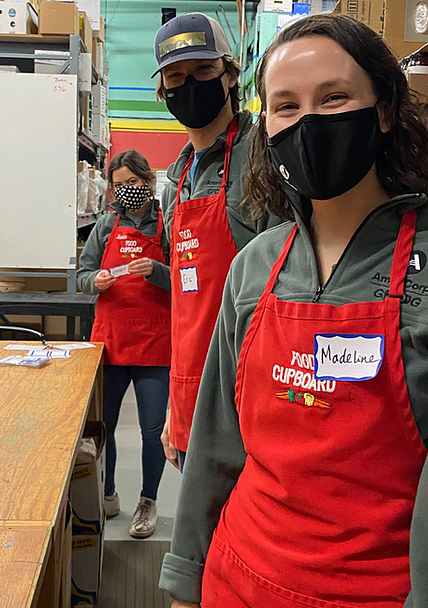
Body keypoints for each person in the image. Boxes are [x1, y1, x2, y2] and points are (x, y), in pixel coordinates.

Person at [158, 13, 428, 608]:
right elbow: (215, 445)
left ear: (383, 110)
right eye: (286, 106)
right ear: (267, 125)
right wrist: (185, 578)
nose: (308, 123)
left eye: (334, 98)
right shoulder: (255, 267)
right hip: (238, 579)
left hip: (375, 593)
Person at [151, 12, 279, 470]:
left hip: (250, 398)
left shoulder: (263, 155)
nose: (189, 85)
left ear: (230, 74)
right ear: (163, 91)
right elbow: (187, 305)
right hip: (190, 392)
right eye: (176, 77)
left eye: (203, 71)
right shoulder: (177, 175)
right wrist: (175, 404)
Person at [77, 149, 171, 539]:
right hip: (112, 342)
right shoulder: (105, 224)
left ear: (148, 182)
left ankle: (148, 502)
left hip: (155, 343)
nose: (126, 191)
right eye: (118, 185)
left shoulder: (171, 224)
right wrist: (93, 280)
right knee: (106, 426)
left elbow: (189, 280)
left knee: (153, 432)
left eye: (132, 183)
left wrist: (158, 271)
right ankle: (109, 492)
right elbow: (81, 275)